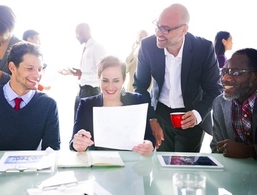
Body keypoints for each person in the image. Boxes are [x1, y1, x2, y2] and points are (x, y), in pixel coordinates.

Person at [133, 3, 222, 152]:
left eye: (166, 29)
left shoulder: (203, 48)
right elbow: (140, 86)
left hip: (191, 116)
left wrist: (197, 114)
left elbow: (214, 89)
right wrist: (151, 118)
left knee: (184, 169)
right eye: (158, 26)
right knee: (161, 166)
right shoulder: (147, 46)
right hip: (159, 115)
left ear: (184, 30)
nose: (159, 33)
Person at [69, 55, 155, 157]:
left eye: (116, 81)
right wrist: (78, 144)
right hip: (98, 165)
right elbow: (73, 143)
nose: (110, 87)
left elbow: (149, 136)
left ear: (124, 79)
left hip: (132, 164)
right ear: (99, 79)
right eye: (105, 80)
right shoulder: (86, 105)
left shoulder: (137, 101)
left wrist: (150, 145)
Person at [211, 48, 257, 159]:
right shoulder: (220, 103)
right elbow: (216, 147)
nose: (225, 78)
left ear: (255, 76)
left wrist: (250, 152)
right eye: (225, 71)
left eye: (235, 72)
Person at [59, 23, 106, 120]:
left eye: (78, 34)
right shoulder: (86, 48)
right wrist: (74, 72)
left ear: (86, 31)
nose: (77, 37)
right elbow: (88, 70)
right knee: (78, 120)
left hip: (91, 91)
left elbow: (102, 72)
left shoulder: (96, 47)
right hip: (82, 89)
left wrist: (81, 73)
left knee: (87, 123)